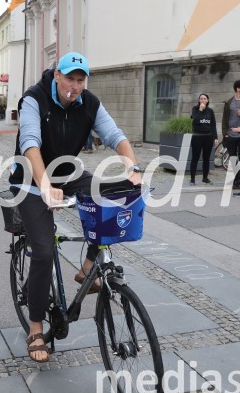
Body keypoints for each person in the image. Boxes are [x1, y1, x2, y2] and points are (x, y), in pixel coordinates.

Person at [10, 52, 142, 363]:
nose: (75, 85)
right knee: (43, 251)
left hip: (68, 173)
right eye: (70, 78)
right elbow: (30, 141)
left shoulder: (89, 103)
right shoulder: (34, 99)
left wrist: (133, 168)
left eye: (81, 79)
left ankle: (87, 268)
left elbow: (114, 135)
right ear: (57, 76)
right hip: (29, 180)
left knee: (114, 193)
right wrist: (44, 186)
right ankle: (35, 327)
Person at [221, 79, 240, 188]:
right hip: (230, 135)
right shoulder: (229, 102)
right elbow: (224, 119)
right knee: (232, 159)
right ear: (238, 89)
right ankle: (235, 180)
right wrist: (225, 133)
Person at [189, 93, 218, 186]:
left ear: (207, 100)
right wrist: (200, 110)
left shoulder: (210, 111)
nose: (202, 100)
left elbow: (213, 125)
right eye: (201, 98)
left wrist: (215, 137)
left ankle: (205, 178)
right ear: (199, 100)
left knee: (206, 158)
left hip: (208, 137)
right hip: (197, 136)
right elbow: (195, 122)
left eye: (204, 98)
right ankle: (192, 179)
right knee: (195, 158)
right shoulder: (195, 109)